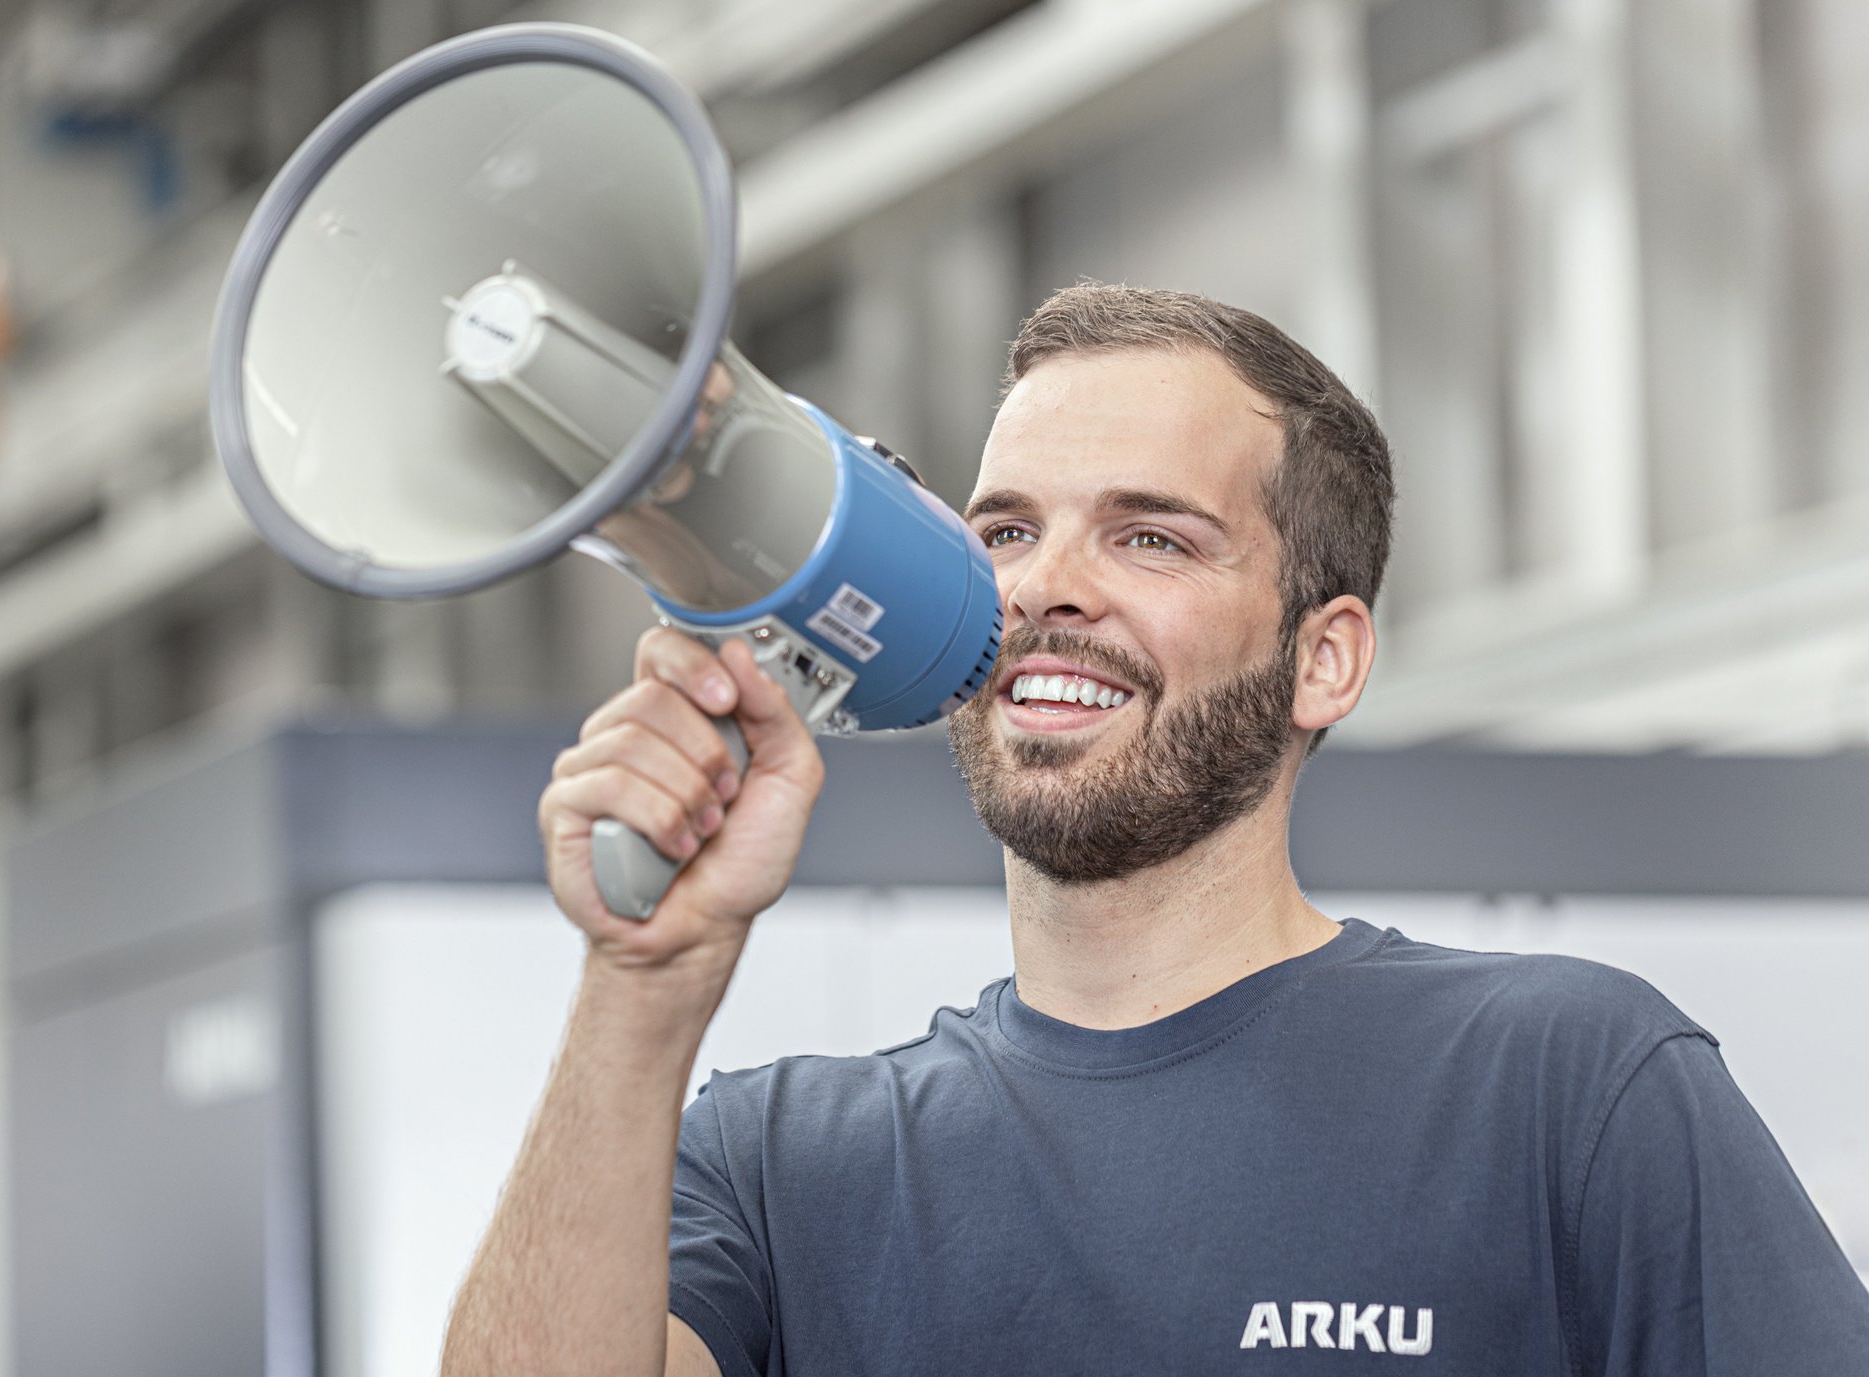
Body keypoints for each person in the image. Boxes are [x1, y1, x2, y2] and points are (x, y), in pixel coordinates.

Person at [439, 283, 1869, 1375]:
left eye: (1152, 537)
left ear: (1327, 657)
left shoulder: (1565, 1084)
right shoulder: (778, 1163)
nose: (1046, 586)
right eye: (1003, 531)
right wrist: (641, 985)